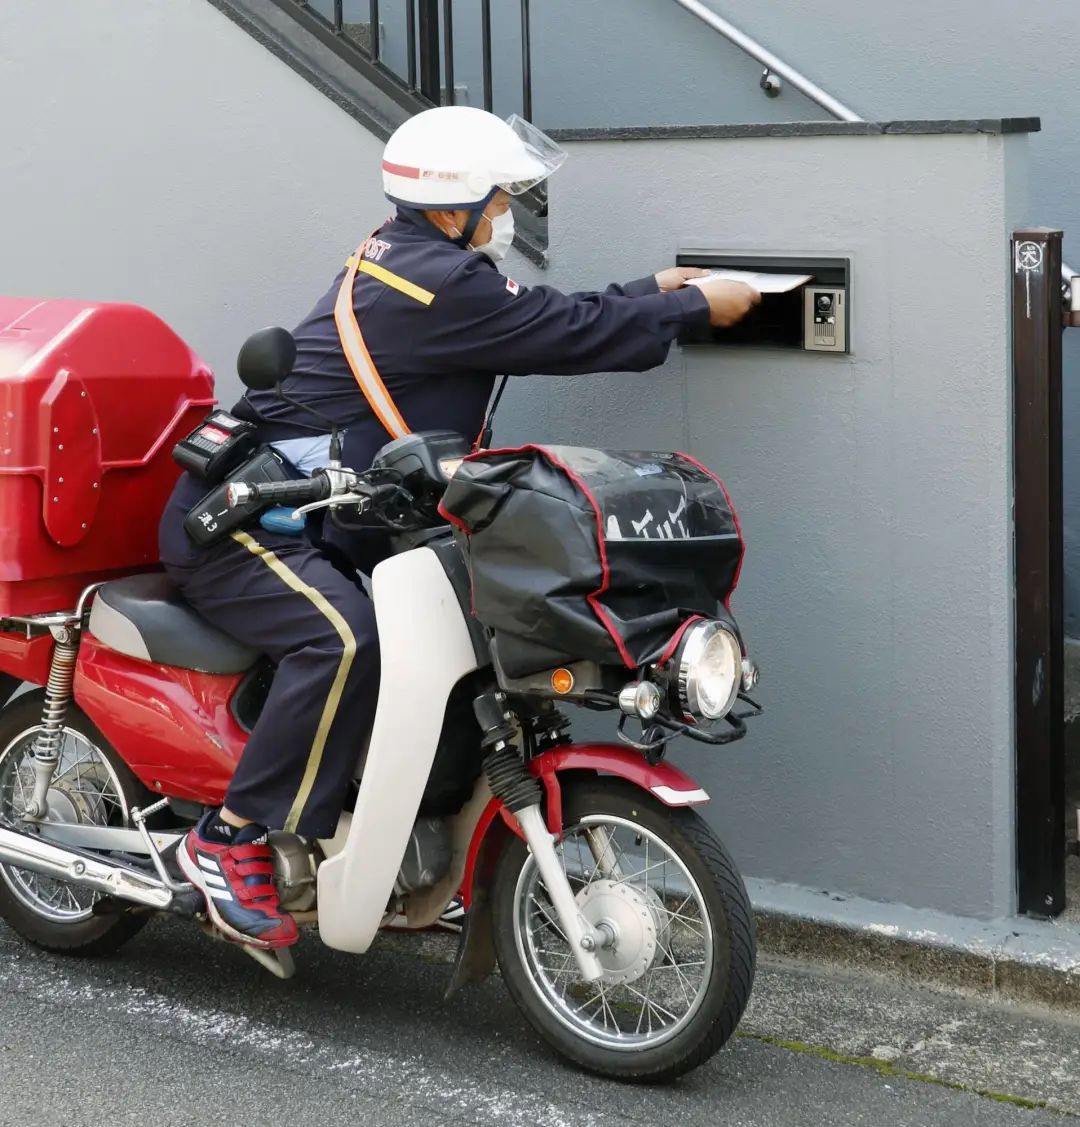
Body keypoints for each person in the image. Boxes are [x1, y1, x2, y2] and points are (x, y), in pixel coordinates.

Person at [158, 105, 759, 950]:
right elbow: (565, 331)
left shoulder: (418, 259)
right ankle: (229, 839)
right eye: (504, 194)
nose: (510, 208)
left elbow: (540, 314)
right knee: (345, 640)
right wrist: (693, 307)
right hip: (250, 520)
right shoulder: (435, 281)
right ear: (456, 205)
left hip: (326, 514)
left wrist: (651, 294)